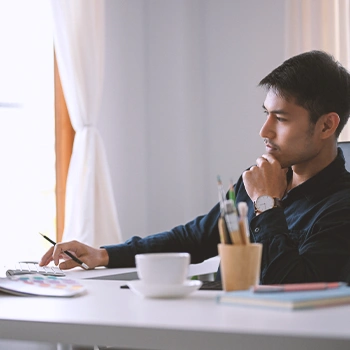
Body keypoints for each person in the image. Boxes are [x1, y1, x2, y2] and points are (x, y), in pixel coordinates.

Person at [40, 50, 350, 284]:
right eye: (266, 113)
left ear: (326, 126)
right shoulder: (259, 180)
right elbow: (194, 237)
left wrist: (266, 205)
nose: (264, 131)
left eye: (280, 119)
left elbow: (293, 284)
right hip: (215, 328)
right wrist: (104, 255)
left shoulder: (340, 205)